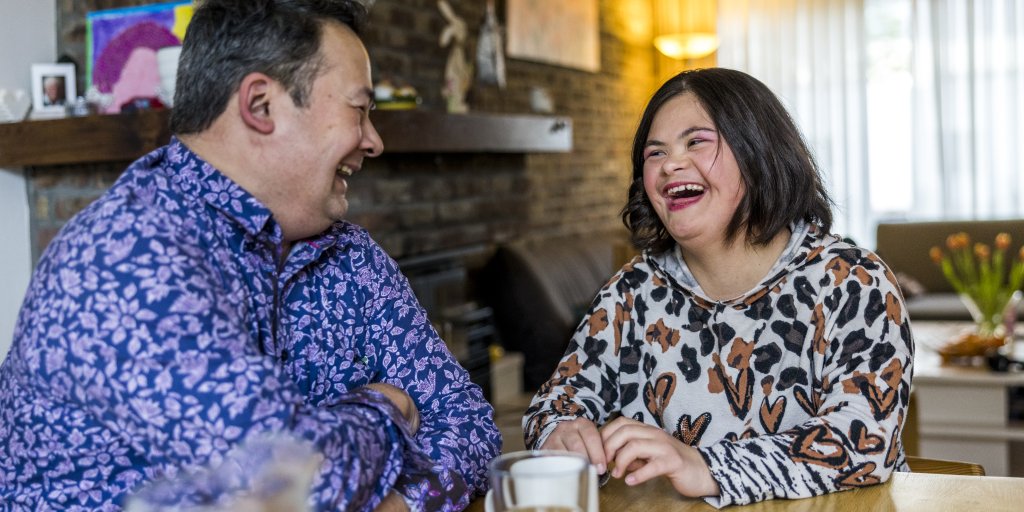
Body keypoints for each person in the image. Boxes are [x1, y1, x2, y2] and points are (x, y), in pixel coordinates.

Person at [0, 1, 500, 510]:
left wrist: (402, 505)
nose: (374, 141)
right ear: (261, 105)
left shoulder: (349, 257)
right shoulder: (125, 258)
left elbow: (470, 423)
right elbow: (290, 485)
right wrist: (387, 405)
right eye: (359, 109)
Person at [522, 68, 913, 508]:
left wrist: (704, 467)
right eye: (655, 153)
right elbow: (555, 402)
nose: (671, 164)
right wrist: (561, 430)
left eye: (696, 142)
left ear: (758, 152)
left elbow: (863, 442)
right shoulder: (630, 293)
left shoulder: (853, 281)